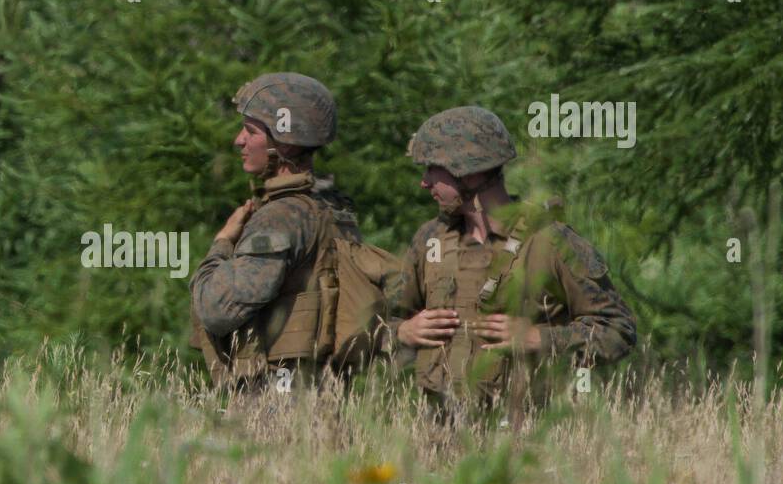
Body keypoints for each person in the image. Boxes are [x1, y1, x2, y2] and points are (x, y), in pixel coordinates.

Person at [388, 105, 636, 411]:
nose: (424, 182)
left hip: (525, 437)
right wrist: (403, 332)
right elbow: (385, 320)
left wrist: (538, 338)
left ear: (469, 171)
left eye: (432, 169)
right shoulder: (429, 240)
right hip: (440, 437)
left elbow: (618, 329)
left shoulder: (551, 241)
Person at [190, 72, 379, 390]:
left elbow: (216, 309)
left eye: (251, 131)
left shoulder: (281, 216)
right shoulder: (331, 208)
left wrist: (222, 243)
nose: (240, 140)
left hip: (278, 395)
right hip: (322, 387)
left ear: (286, 145)